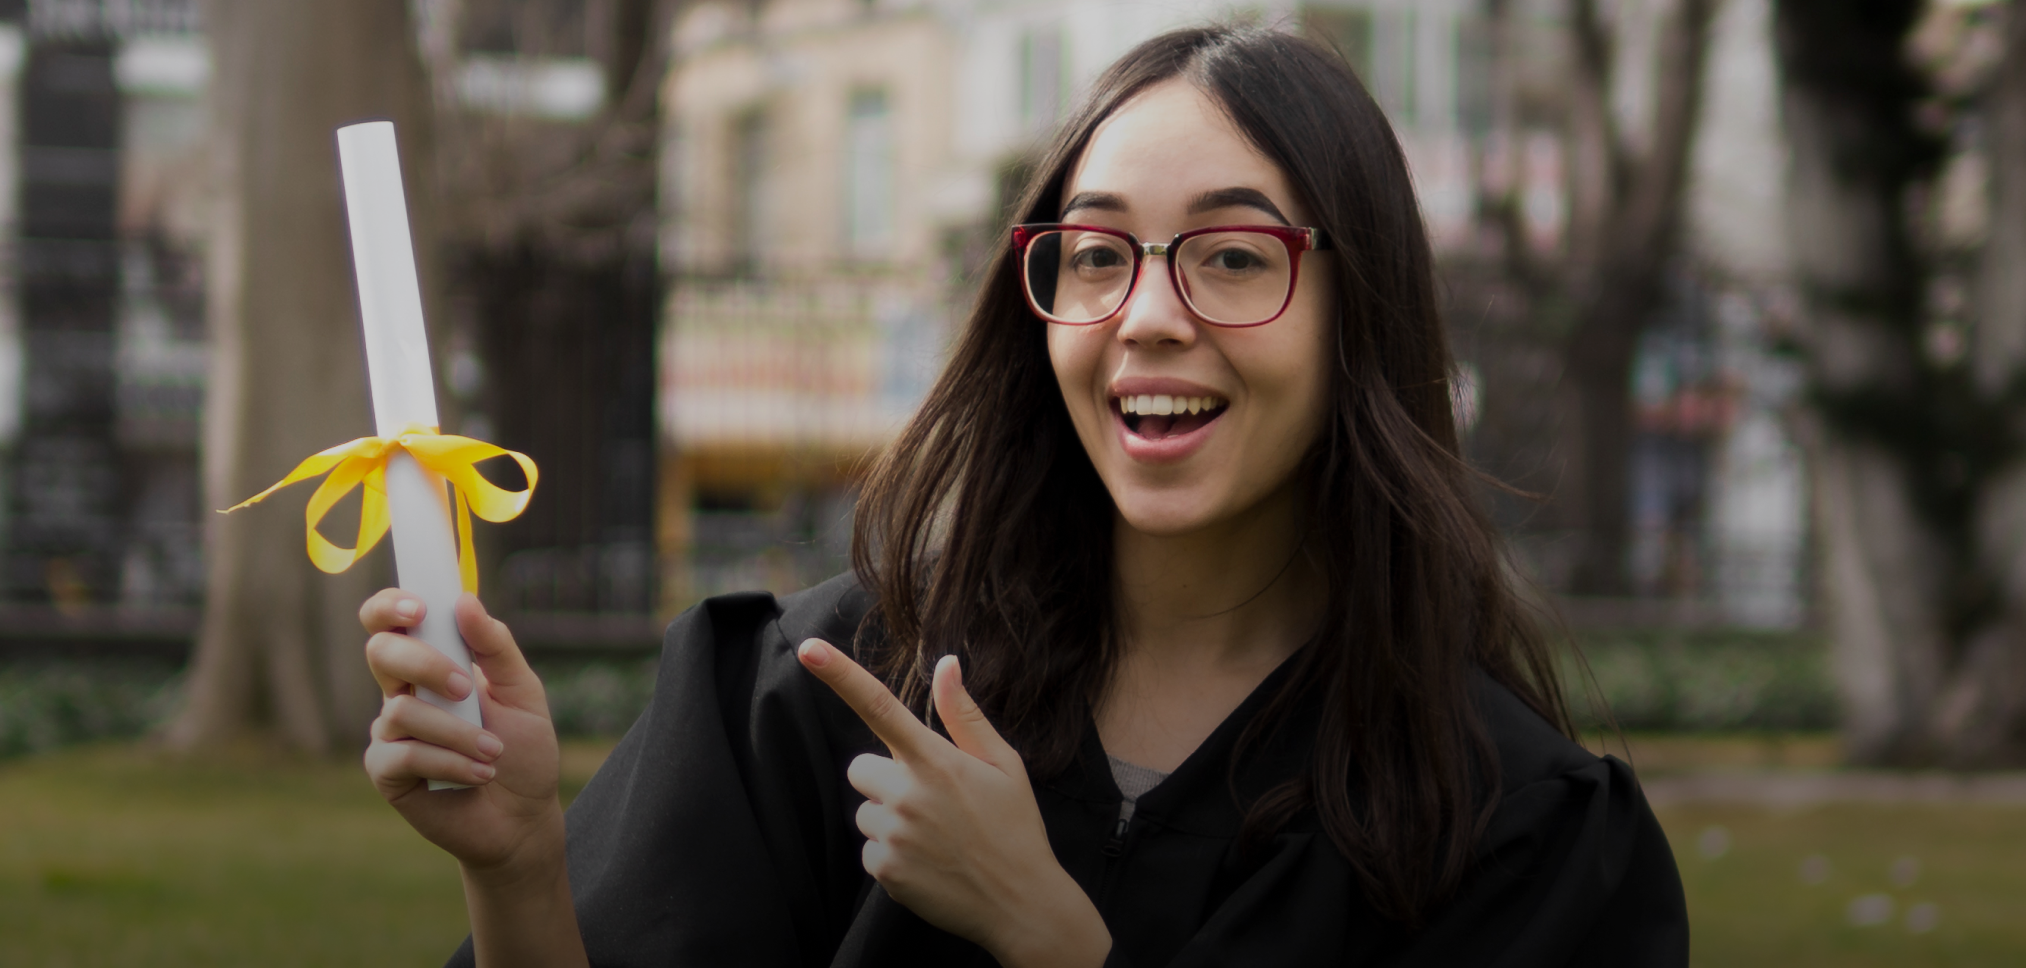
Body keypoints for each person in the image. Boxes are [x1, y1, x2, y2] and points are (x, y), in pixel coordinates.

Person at [357, 24, 1688, 968]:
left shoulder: (1508, 832)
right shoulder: (819, 700)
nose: (1147, 316)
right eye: (1093, 253)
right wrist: (519, 865)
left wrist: (1051, 941)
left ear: (1359, 313)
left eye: (1231, 256)